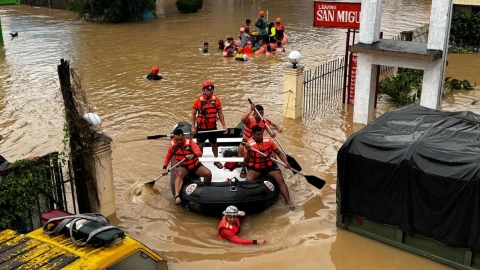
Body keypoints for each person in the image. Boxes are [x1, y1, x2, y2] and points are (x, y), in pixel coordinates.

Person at [244, 125, 293, 209]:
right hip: (256, 167)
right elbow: (246, 162)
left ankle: (289, 203)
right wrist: (248, 151)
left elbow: (279, 153)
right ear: (253, 134)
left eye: (261, 134)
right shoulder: (249, 144)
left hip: (269, 165)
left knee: (280, 180)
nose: (260, 136)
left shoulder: (269, 141)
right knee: (249, 180)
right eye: (258, 135)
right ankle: (250, 203)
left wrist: (285, 162)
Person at [162, 129, 212, 205]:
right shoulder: (173, 146)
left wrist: (193, 155)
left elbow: (199, 152)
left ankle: (205, 190)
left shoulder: (190, 143)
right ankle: (177, 196)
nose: (179, 142)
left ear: (184, 136)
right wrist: (164, 168)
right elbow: (167, 157)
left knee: (208, 173)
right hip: (182, 166)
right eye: (177, 140)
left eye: (181, 139)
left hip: (194, 165)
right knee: (180, 174)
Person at [190, 80, 228, 169]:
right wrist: (193, 127)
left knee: (214, 144)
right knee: (200, 145)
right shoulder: (198, 101)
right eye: (207, 89)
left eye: (211, 89)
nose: (209, 91)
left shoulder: (216, 100)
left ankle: (216, 160)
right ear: (203, 90)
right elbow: (193, 114)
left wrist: (224, 126)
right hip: (201, 127)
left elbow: (220, 113)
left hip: (212, 127)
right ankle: (198, 162)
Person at [238, 104, 282, 178]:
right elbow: (242, 120)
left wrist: (273, 133)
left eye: (262, 113)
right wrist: (251, 109)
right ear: (254, 113)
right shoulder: (249, 118)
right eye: (259, 113)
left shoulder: (263, 120)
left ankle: (275, 167)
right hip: (247, 139)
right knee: (240, 148)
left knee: (272, 148)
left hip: (259, 139)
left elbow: (269, 126)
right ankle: (243, 168)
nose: (261, 115)